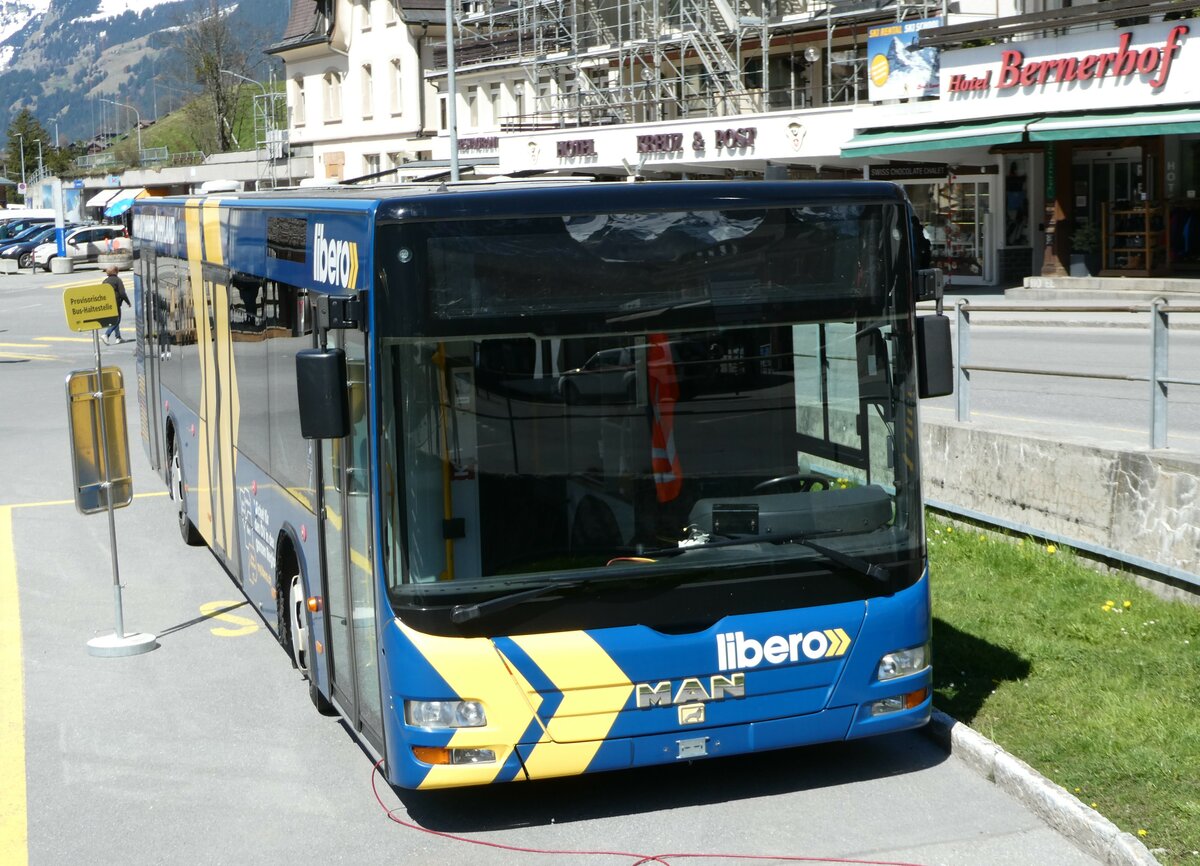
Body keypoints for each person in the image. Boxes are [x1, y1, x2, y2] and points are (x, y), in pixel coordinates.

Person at [101, 264, 130, 344]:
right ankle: (106, 334)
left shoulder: (105, 281)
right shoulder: (117, 280)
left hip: (108, 304)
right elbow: (122, 293)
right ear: (116, 272)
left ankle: (118, 337)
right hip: (116, 303)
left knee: (114, 319)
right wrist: (128, 302)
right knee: (117, 320)